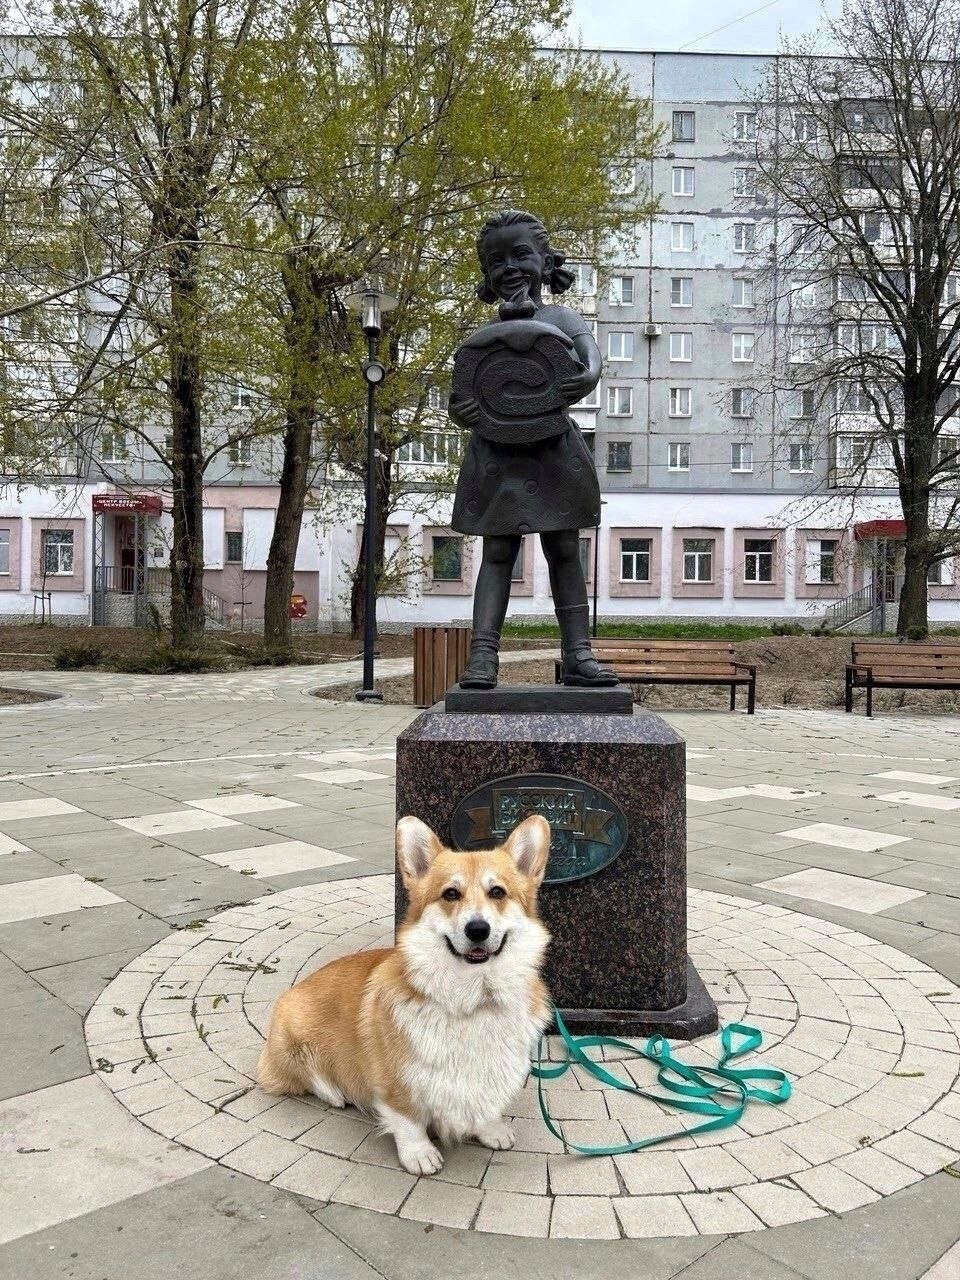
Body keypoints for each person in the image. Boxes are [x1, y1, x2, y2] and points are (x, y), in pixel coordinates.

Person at [448, 209, 617, 690]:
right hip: (497, 453)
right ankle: (482, 658)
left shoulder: (563, 317)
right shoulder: (483, 337)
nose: (510, 267)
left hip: (553, 451)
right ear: (487, 274)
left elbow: (590, 362)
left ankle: (579, 654)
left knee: (564, 549)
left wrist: (587, 375)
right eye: (496, 260)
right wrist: (463, 411)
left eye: (521, 254)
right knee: (497, 553)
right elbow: (461, 394)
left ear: (545, 261)